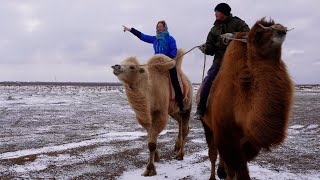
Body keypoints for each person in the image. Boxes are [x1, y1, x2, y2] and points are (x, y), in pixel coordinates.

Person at [195, 3, 250, 120]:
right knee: (209, 79)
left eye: (217, 11)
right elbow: (211, 49)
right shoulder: (214, 29)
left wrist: (234, 35)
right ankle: (201, 108)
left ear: (224, 12)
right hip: (220, 60)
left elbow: (250, 35)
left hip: (238, 59)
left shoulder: (238, 23)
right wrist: (205, 48)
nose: (215, 14)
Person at [123, 20, 187, 117]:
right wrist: (131, 30)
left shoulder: (170, 39)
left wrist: (165, 58)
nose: (158, 28)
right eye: (157, 27)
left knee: (175, 81)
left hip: (168, 63)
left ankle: (181, 105)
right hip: (156, 65)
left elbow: (174, 52)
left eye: (160, 26)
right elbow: (142, 36)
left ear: (164, 28)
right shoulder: (155, 39)